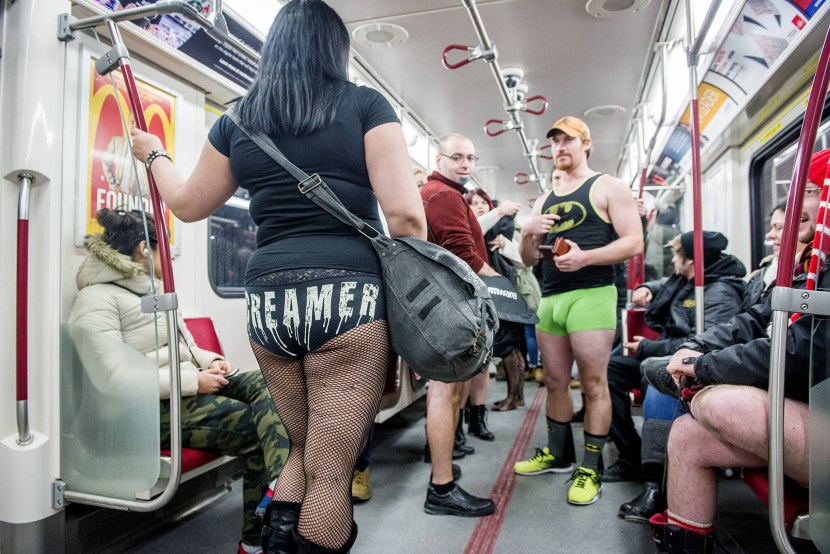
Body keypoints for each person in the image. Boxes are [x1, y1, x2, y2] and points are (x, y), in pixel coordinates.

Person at [130, 2, 427, 552]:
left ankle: (276, 542)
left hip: (267, 300)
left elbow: (188, 205)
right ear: (335, 50)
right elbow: (406, 216)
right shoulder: (365, 105)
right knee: (331, 467)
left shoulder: (237, 120)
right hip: (347, 298)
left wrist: (155, 155)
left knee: (298, 449)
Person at [68, 208, 290, 554]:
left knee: (274, 383)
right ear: (145, 248)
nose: (170, 255)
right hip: (138, 412)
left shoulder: (156, 292)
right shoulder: (95, 300)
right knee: (253, 428)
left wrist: (211, 362)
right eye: (165, 247)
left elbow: (185, 344)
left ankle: (280, 486)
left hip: (181, 387)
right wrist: (193, 381)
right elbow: (112, 382)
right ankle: (255, 542)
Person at [516, 116, 643, 506]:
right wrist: (527, 232)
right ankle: (558, 454)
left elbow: (634, 242)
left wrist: (587, 258)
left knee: (593, 384)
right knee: (554, 381)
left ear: (585, 144)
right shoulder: (542, 199)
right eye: (554, 142)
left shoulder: (607, 186)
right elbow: (527, 260)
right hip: (551, 297)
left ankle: (591, 467)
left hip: (592, 293)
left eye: (568, 140)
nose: (560, 148)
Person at [605, 231, 746, 483]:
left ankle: (657, 469)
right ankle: (631, 454)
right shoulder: (688, 280)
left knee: (655, 374)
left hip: (693, 364)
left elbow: (703, 344)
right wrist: (647, 286)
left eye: (676, 255)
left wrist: (649, 347)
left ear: (691, 260)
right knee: (607, 371)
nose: (673, 261)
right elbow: (667, 283)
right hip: (668, 353)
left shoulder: (719, 293)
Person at [420, 134, 498, 517]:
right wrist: (502, 286)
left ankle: (444, 468)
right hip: (452, 304)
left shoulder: (443, 192)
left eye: (471, 158)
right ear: (440, 159)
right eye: (457, 157)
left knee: (449, 393)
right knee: (445, 394)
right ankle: (441, 487)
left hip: (443, 303)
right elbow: (461, 252)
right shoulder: (445, 195)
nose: (466, 164)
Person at [466, 188, 527, 411]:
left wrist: (506, 245)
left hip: (502, 288)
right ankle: (515, 396)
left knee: (509, 344)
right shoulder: (475, 227)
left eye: (484, 202)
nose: (481, 206)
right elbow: (473, 228)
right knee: (505, 346)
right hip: (489, 289)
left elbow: (524, 260)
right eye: (475, 203)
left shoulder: (502, 230)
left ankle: (515, 397)